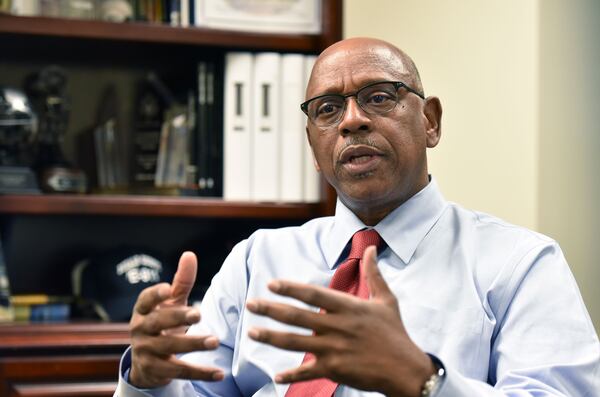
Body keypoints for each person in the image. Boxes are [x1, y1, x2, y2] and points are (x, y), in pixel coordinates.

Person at [115, 37, 600, 397]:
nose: (351, 120)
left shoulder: (519, 263)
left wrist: (421, 380)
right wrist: (148, 380)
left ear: (429, 121)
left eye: (379, 96)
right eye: (327, 109)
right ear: (313, 146)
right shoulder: (257, 259)